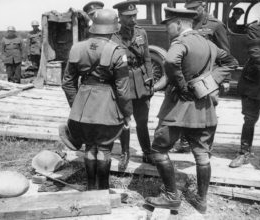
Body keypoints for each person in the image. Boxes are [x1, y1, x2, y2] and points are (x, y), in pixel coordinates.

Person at [144, 7, 238, 214]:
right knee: (202, 155)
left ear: (178, 23)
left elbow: (170, 61)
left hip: (177, 109)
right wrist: (208, 82)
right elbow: (231, 62)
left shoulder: (180, 42)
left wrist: (183, 85)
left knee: (159, 150)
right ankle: (201, 201)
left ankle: (171, 196)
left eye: (168, 24)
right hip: (203, 108)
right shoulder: (208, 43)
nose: (167, 28)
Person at [60, 9, 132, 190]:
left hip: (82, 108)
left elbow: (67, 82)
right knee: (105, 149)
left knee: (90, 147)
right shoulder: (117, 52)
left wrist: (76, 105)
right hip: (106, 109)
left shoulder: (77, 48)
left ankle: (91, 187)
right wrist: (127, 114)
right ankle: (103, 189)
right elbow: (123, 89)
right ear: (113, 29)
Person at [171, 0, 231, 153]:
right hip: (189, 77)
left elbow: (225, 55)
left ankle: (206, 147)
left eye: (194, 8)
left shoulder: (215, 25)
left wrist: (225, 79)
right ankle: (185, 143)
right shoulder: (187, 23)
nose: (192, 11)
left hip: (208, 79)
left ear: (202, 6)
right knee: (185, 108)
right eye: (188, 9)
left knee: (208, 113)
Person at [112, 0, 154, 169]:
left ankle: (147, 151)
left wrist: (150, 79)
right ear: (120, 17)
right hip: (123, 81)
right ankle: (125, 153)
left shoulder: (141, 32)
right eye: (129, 17)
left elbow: (147, 57)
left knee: (142, 120)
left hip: (141, 81)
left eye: (135, 15)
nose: (133, 19)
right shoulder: (113, 35)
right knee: (124, 120)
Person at [229, 21, 260, 168]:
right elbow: (256, 53)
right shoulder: (255, 28)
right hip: (253, 83)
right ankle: (244, 153)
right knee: (249, 120)